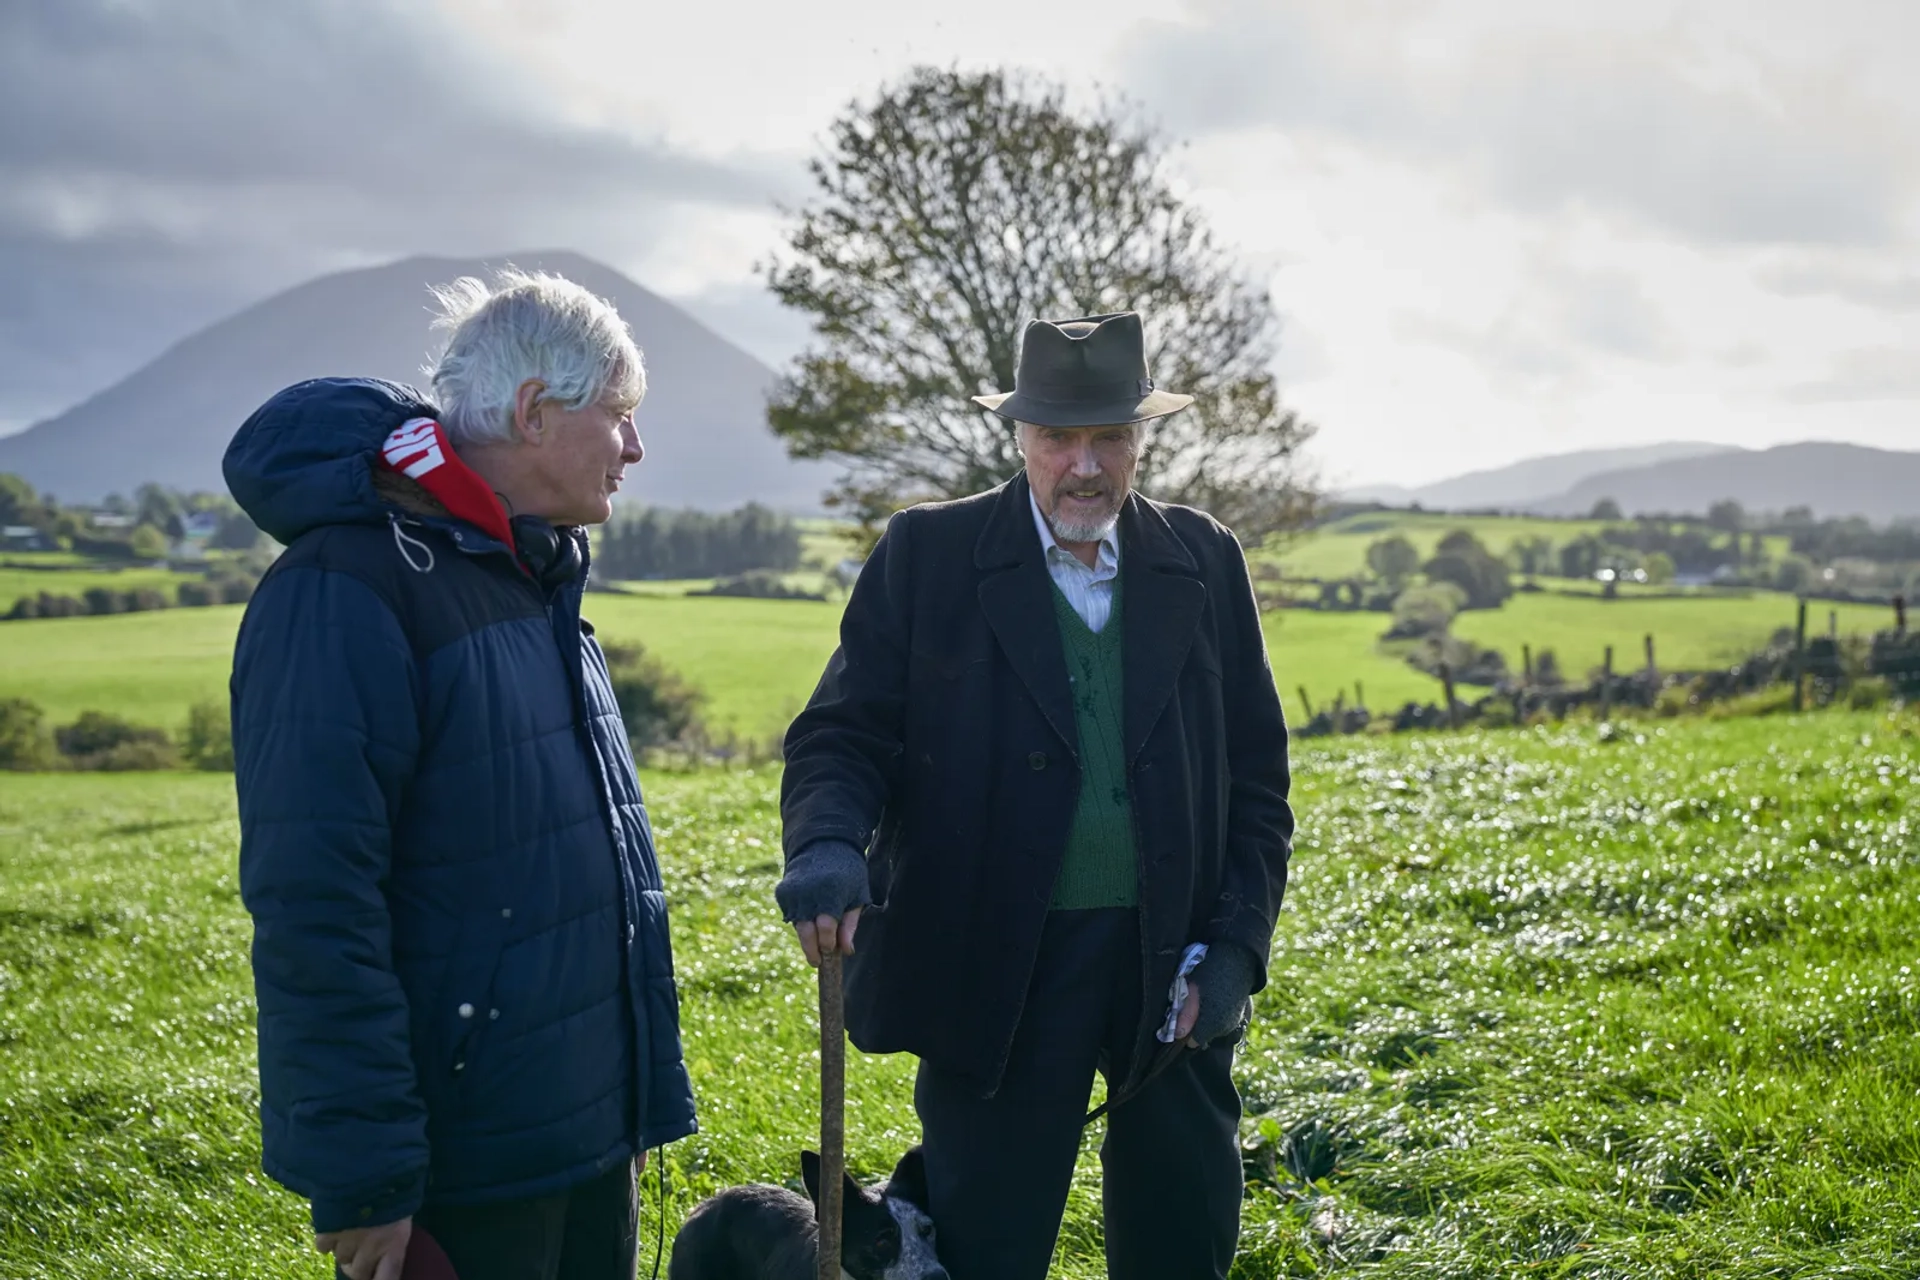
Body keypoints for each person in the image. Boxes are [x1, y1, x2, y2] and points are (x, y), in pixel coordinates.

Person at [775, 311, 1295, 1278]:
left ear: (1141, 439)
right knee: (988, 1248)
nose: (1085, 465)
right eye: (1059, 436)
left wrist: (1232, 956)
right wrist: (826, 847)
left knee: (1183, 1241)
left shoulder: (1204, 558)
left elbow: (1258, 784)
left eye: (1110, 437)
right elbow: (842, 734)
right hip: (998, 970)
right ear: (1017, 438)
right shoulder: (929, 556)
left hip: (1169, 968)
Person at [225, 269, 696, 1280]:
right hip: (463, 1171)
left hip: (581, 1143)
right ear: (534, 410)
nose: (635, 447)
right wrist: (364, 1169)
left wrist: (629, 1096)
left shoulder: (535, 577)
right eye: (620, 414)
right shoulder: (346, 590)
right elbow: (316, 899)